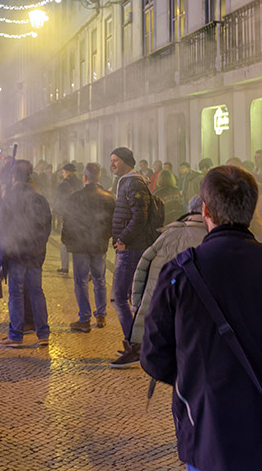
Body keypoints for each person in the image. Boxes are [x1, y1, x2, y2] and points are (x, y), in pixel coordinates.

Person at [141, 166, 262, 471]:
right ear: (253, 210)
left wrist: (199, 376)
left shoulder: (180, 273)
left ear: (205, 210)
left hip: (208, 432)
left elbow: (153, 358)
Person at [129, 197, 207, 354]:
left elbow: (142, 266)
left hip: (158, 308)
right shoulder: (211, 238)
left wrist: (137, 303)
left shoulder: (169, 234)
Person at [0, 160, 52, 347]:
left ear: (14, 176)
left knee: (16, 294)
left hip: (16, 254)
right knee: (36, 292)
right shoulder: (40, 199)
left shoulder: (9, 198)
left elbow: (0, 227)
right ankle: (43, 334)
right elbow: (46, 227)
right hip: (34, 254)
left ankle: (16, 335)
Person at [108, 147, 152, 368]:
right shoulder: (126, 182)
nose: (112, 164)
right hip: (128, 246)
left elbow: (140, 216)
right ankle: (135, 344)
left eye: (116, 160)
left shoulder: (133, 183)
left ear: (126, 161)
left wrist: (123, 238)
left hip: (131, 248)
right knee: (127, 296)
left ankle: (135, 346)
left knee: (118, 298)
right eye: (111, 161)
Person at [61, 162, 115, 333]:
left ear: (85, 177)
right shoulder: (109, 197)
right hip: (99, 244)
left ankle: (84, 318)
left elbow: (68, 222)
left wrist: (66, 241)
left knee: (81, 281)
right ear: (98, 177)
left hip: (80, 245)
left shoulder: (74, 197)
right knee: (100, 280)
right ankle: (101, 315)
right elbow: (113, 221)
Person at [53, 163, 80, 275]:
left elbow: (60, 201)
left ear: (68, 172)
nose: (62, 174)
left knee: (64, 242)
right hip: (79, 217)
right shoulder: (80, 182)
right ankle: (78, 268)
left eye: (63, 172)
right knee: (78, 243)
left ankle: (65, 267)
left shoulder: (64, 184)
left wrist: (59, 214)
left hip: (68, 216)